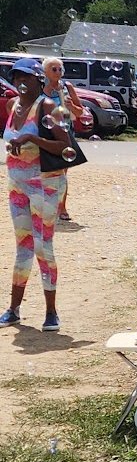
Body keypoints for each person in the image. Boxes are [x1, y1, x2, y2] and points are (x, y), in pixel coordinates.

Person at [1, 59, 71, 331]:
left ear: (38, 79)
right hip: (17, 185)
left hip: (45, 184)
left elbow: (64, 145)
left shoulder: (47, 106)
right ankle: (13, 310)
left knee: (43, 246)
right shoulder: (12, 105)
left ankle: (51, 312)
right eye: (16, 76)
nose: (20, 81)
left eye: (26, 76)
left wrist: (31, 139)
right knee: (23, 246)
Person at [41, 57, 84, 222]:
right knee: (43, 171)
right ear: (45, 71)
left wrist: (71, 106)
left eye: (60, 69)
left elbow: (80, 112)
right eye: (54, 69)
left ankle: (62, 207)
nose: (58, 72)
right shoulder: (39, 87)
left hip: (64, 133)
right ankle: (45, 206)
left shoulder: (67, 87)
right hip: (44, 132)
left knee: (62, 173)